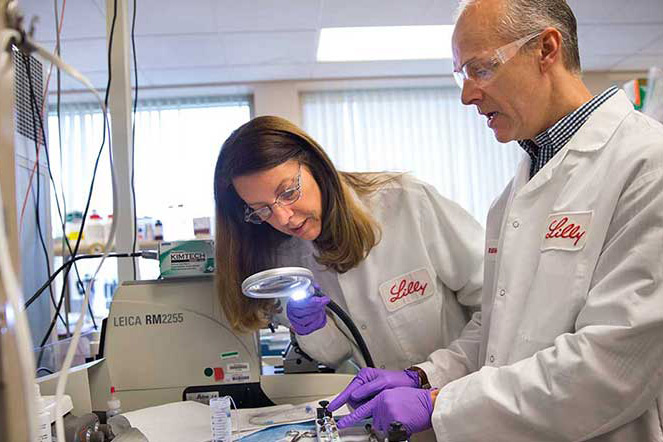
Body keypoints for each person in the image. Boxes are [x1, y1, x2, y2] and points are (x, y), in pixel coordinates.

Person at [329, 0, 663, 440]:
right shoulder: (513, 196)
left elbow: (611, 365)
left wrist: (438, 404)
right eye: (461, 75)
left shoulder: (646, 164)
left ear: (547, 49)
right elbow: (496, 331)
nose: (466, 94)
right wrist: (425, 377)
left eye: (481, 69)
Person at [213, 115, 484, 375]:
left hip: (464, 400)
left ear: (315, 165)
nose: (283, 218)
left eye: (288, 192)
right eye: (261, 210)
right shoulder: (282, 258)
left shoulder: (407, 203)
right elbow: (336, 355)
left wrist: (431, 376)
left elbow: (494, 300)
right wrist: (312, 328)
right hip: (383, 415)